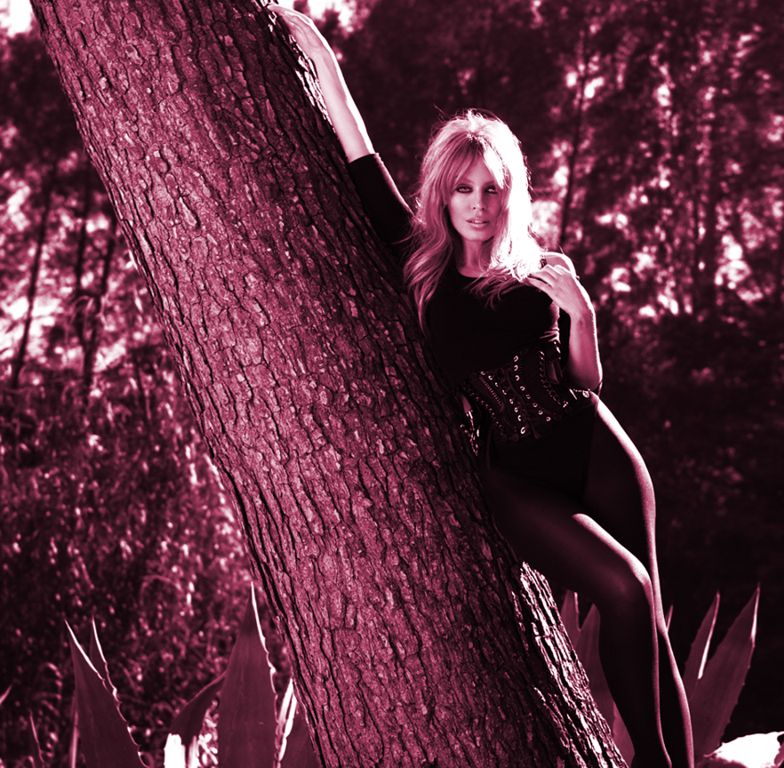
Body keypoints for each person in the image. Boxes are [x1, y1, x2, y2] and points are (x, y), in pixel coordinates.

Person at [268, 7, 694, 767]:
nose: (478, 202)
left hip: (597, 451)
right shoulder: (417, 259)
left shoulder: (539, 274)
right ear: (443, 193)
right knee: (626, 590)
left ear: (509, 194)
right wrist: (317, 46)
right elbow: (357, 147)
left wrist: (584, 316)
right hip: (515, 477)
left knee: (651, 623)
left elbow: (585, 382)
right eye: (464, 188)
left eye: (492, 189)